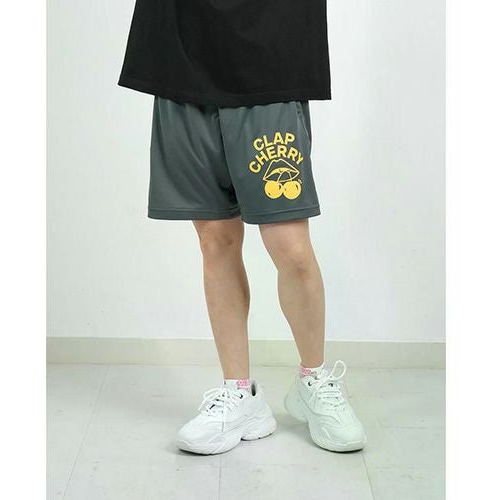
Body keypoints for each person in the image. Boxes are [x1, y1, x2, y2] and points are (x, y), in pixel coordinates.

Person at [119, 0, 366, 454]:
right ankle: (240, 394)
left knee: (291, 247)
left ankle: (313, 379)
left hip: (270, 54)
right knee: (216, 239)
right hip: (183, 50)